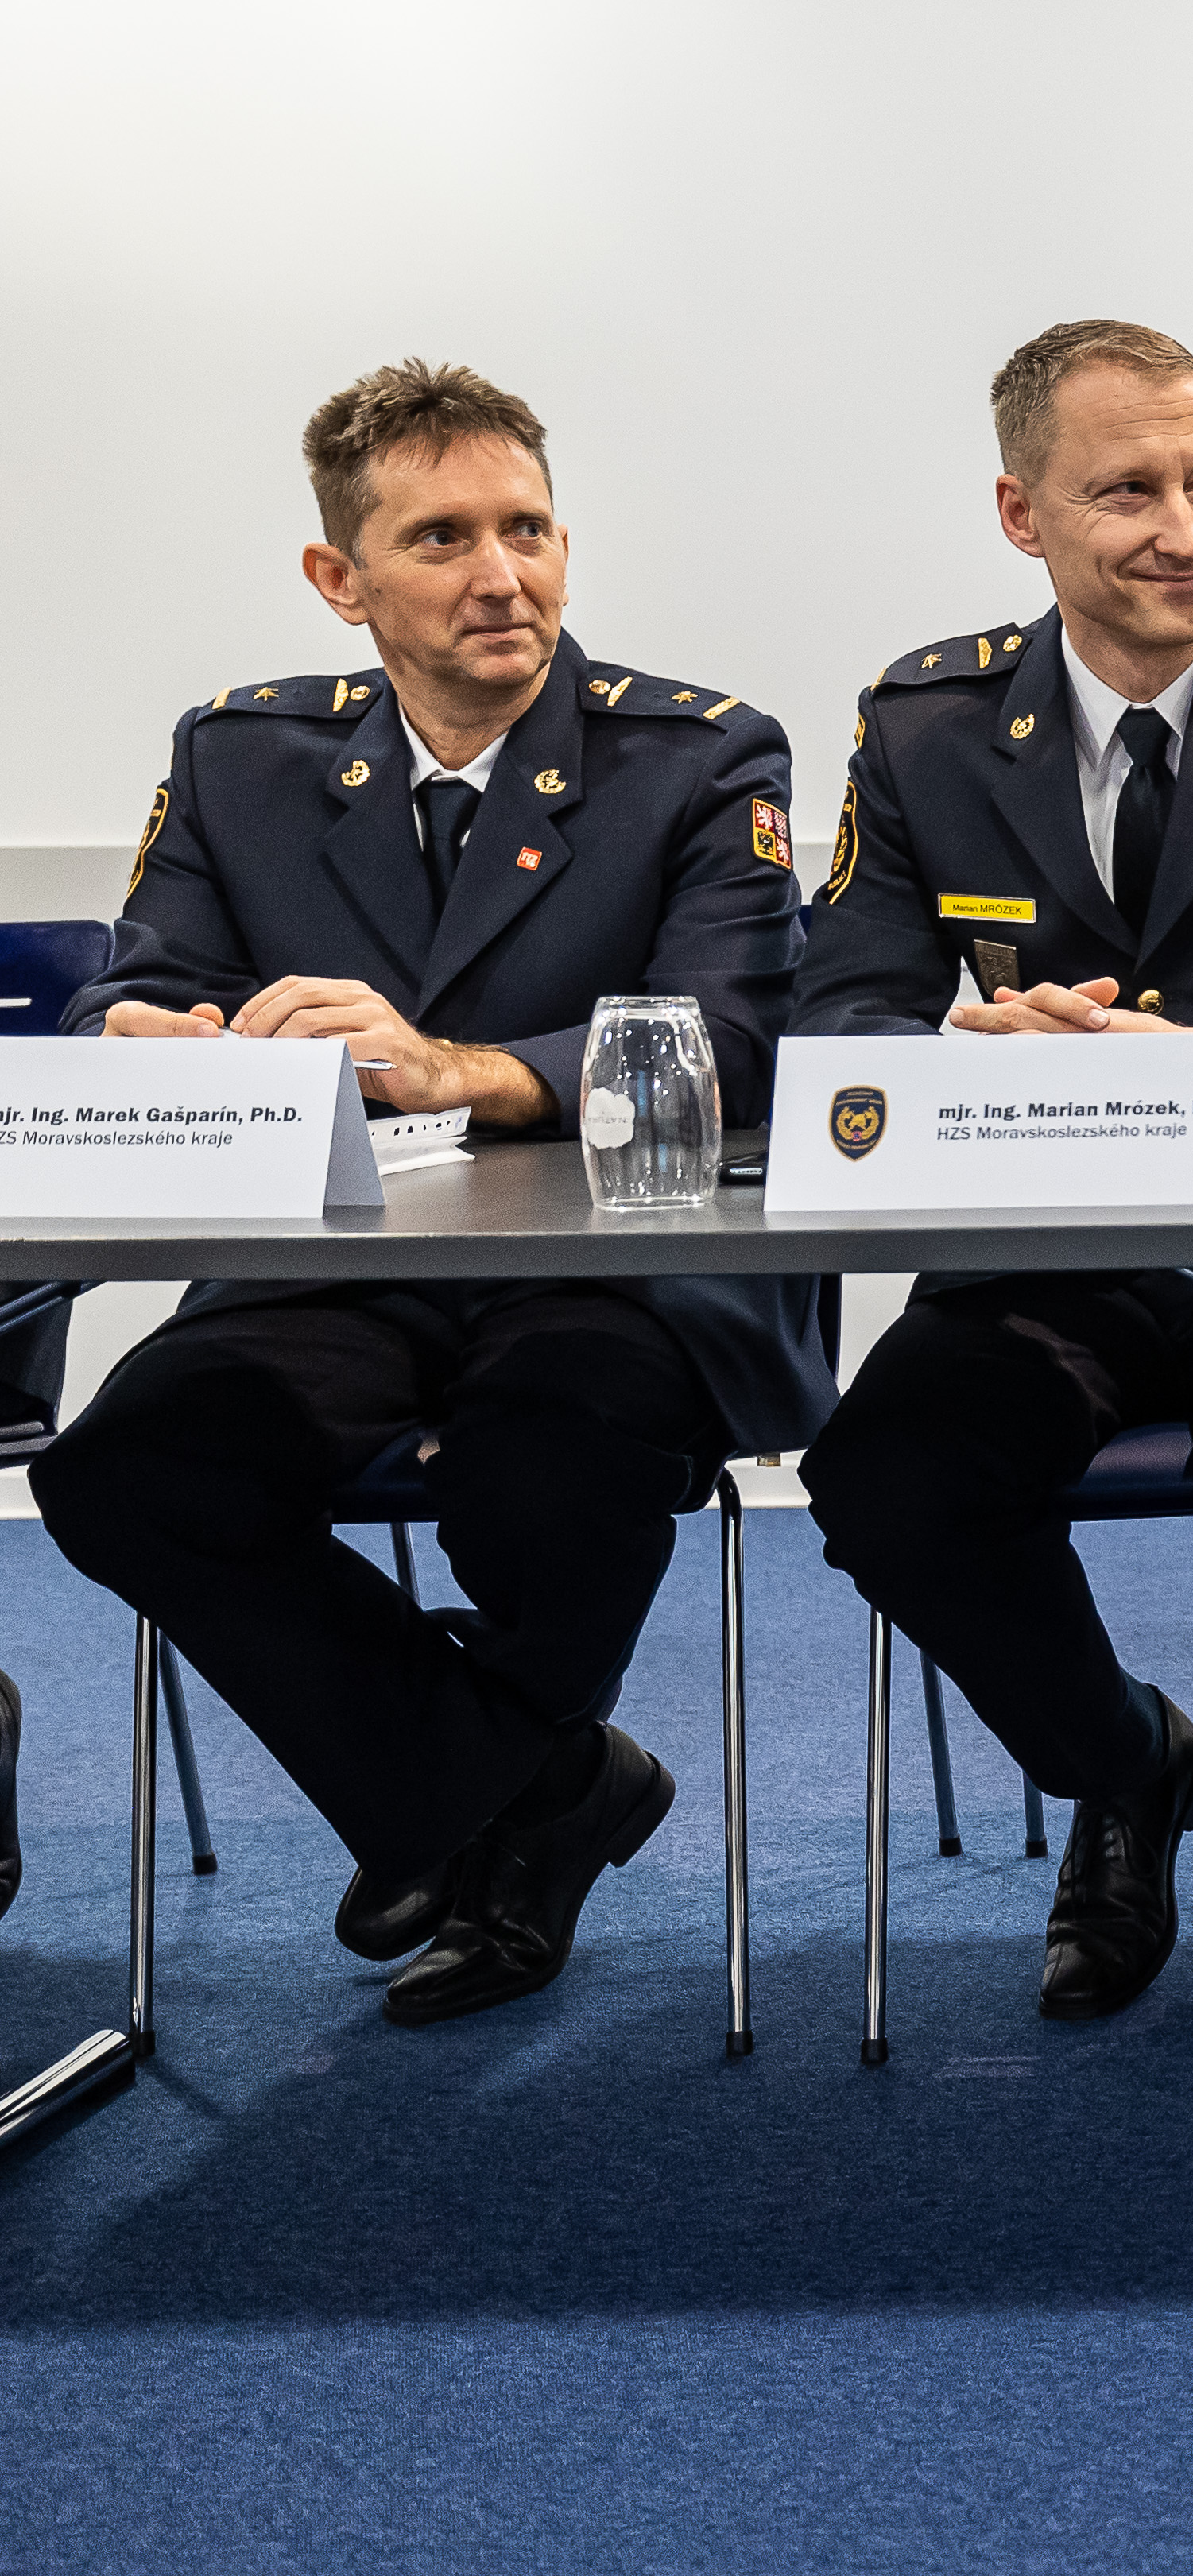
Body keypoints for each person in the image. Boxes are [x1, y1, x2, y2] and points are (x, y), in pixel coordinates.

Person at [29, 361, 829, 2024]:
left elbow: (737, 1040)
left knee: (550, 1464)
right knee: (127, 1472)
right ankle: (531, 1785)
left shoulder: (694, 754)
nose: (502, 574)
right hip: (338, 1261)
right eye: (442, 538)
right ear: (342, 578)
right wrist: (150, 1035)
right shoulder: (243, 756)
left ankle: (475, 1806)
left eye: (528, 529)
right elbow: (150, 979)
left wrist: (456, 1066)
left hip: (611, 1267)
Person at [795, 320, 1193, 2024]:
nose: (1186, 530)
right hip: (1041, 1253)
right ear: (1021, 515)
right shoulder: (928, 724)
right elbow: (843, 1015)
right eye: (1129, 492)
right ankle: (1126, 1763)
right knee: (885, 1478)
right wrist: (961, 1048)